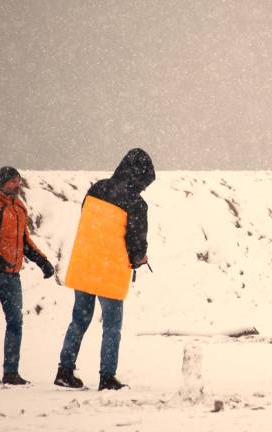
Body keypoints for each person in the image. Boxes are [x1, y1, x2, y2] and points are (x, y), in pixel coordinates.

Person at [54, 148, 155, 391]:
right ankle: (107, 377)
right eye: (145, 182)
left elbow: (87, 220)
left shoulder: (96, 188)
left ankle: (64, 370)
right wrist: (139, 258)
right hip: (110, 269)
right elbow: (136, 242)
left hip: (84, 264)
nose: (144, 188)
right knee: (111, 327)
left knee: (79, 320)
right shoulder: (136, 203)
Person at [0, 166, 55, 385]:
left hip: (12, 275)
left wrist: (42, 261)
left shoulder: (19, 207)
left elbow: (24, 241)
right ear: (1, 183)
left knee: (15, 322)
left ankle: (11, 373)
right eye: (11, 182)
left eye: (18, 181)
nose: (16, 185)